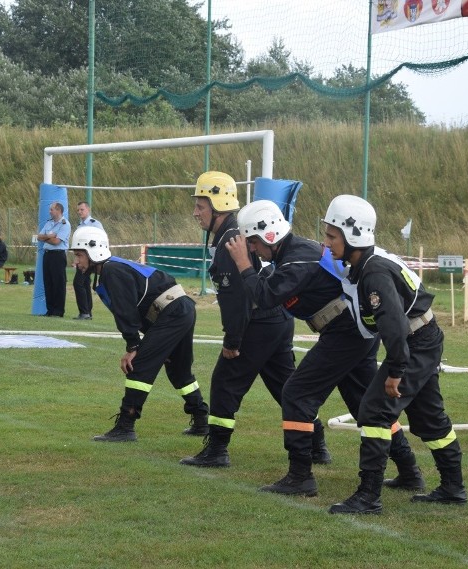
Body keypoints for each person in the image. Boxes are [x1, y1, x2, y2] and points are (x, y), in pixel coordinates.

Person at [225, 200, 423, 497]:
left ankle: (300, 476)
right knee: (362, 403)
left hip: (346, 331)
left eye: (252, 242)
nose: (252, 250)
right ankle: (409, 471)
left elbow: (264, 297)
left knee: (296, 393)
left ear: (268, 235)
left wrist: (242, 265)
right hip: (351, 329)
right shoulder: (293, 255)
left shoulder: (298, 257)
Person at [321, 195, 465, 515]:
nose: (326, 242)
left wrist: (396, 369)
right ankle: (453, 487)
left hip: (416, 342)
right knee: (429, 418)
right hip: (422, 339)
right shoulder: (368, 264)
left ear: (353, 235)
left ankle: (368, 496)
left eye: (331, 236)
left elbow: (394, 325)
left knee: (373, 410)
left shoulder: (373, 274)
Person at [180, 172, 329, 468]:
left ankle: (217, 449)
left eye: (200, 206)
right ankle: (317, 443)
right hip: (277, 320)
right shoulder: (239, 230)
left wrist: (233, 341)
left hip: (257, 322)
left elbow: (237, 299)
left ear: (218, 204)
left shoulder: (231, 240)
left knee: (225, 382)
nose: (195, 212)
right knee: (286, 387)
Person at [69, 226, 208, 442]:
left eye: (78, 255)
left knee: (140, 366)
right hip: (179, 310)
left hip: (172, 313)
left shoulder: (112, 271)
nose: (75, 262)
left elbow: (126, 311)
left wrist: (133, 347)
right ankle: (201, 420)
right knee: (179, 371)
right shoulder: (113, 268)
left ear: (94, 251)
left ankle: (126, 426)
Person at [36, 202, 70, 317]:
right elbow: (39, 237)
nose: (50, 212)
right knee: (48, 282)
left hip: (58, 255)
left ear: (58, 210)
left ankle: (58, 311)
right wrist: (50, 236)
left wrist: (46, 238)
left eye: (52, 209)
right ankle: (50, 310)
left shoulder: (65, 224)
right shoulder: (49, 223)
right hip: (47, 255)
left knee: (58, 283)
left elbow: (56, 242)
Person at [72, 201, 103, 320]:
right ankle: (87, 312)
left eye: (82, 209)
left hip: (91, 258)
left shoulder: (95, 224)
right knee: (84, 283)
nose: (79, 212)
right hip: (82, 258)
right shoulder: (80, 226)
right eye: (78, 210)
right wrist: (77, 258)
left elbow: (101, 239)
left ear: (88, 210)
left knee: (78, 283)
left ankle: (84, 312)